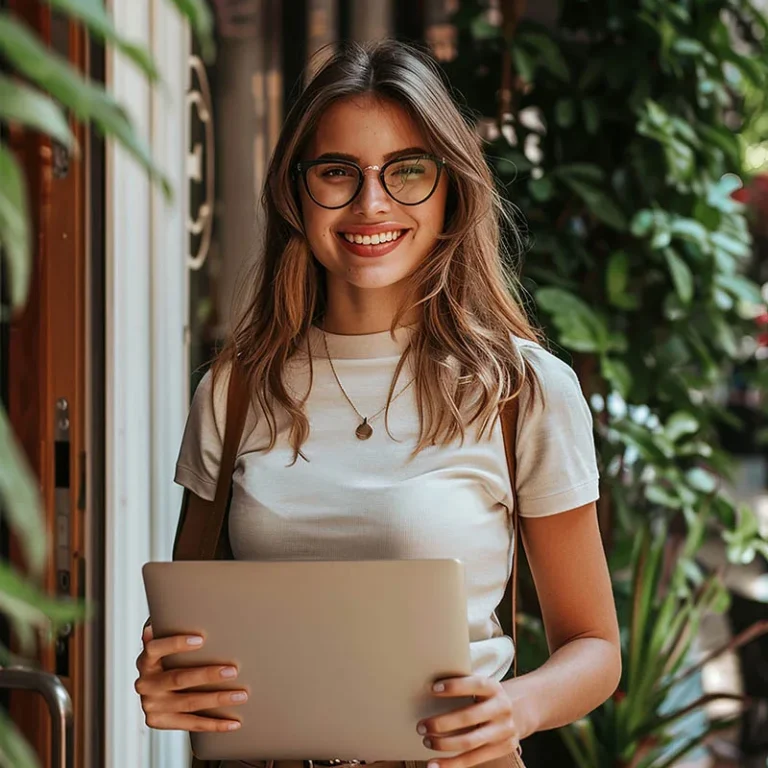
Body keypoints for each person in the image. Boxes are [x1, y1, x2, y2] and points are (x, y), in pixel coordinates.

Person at [134, 39, 621, 768]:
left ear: (451, 186)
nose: (371, 203)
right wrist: (168, 685)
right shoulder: (234, 390)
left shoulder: (521, 388)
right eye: (337, 172)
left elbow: (595, 649)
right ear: (296, 192)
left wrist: (513, 707)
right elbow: (188, 638)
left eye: (408, 172)